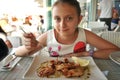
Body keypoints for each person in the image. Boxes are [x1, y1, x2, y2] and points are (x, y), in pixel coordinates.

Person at [15, 0, 120, 59]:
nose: (62, 25)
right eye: (57, 19)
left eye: (69, 18)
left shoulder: (85, 34)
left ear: (79, 20)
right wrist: (28, 47)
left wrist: (86, 53)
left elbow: (116, 51)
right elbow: (18, 53)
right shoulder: (49, 36)